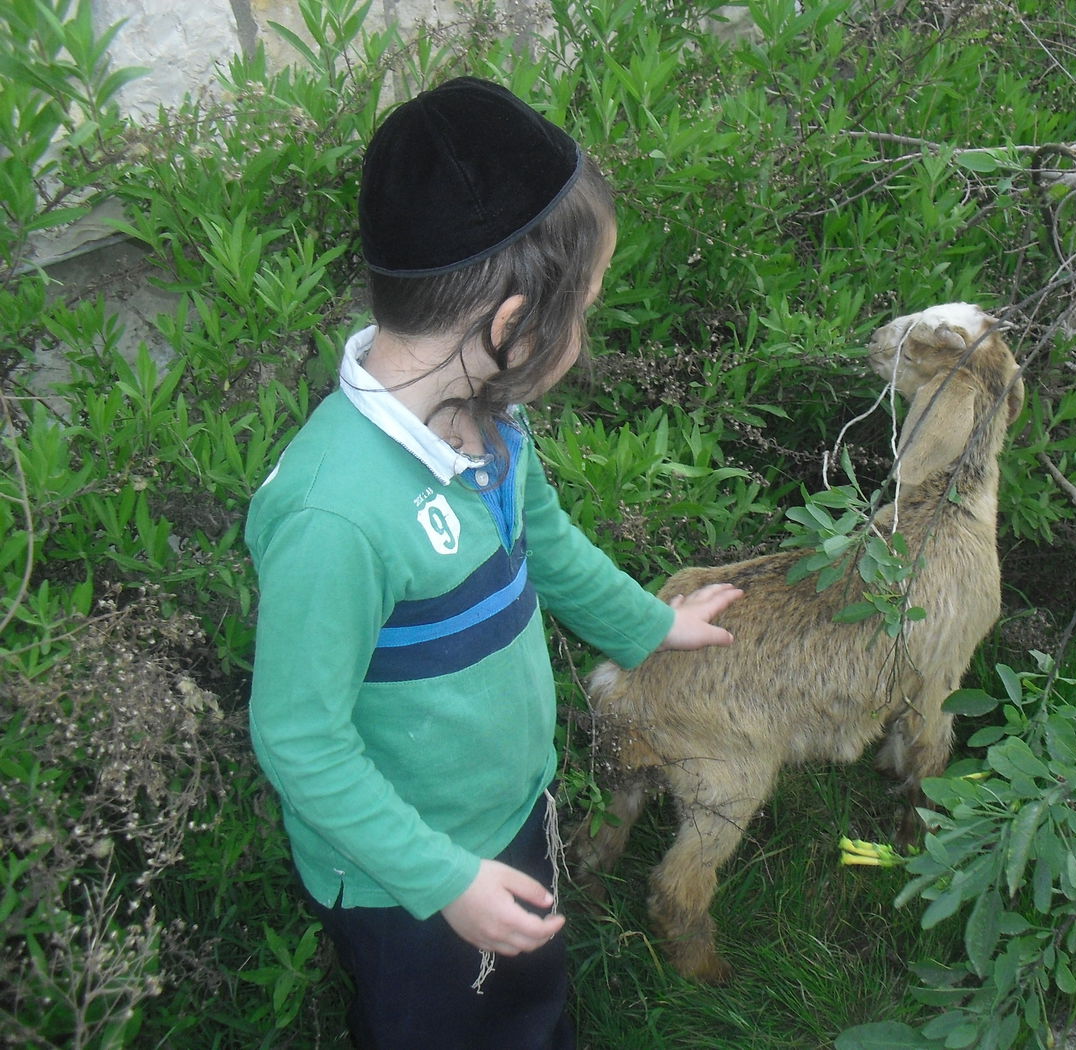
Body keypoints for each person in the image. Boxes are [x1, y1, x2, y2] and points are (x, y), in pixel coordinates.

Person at [245, 76, 742, 1050]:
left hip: (510, 809)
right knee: (442, 1026)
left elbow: (548, 547)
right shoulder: (334, 513)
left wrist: (651, 624)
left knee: (527, 1007)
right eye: (584, 309)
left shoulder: (489, 430)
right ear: (513, 324)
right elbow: (299, 738)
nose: (584, 334)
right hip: (402, 877)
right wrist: (444, 882)